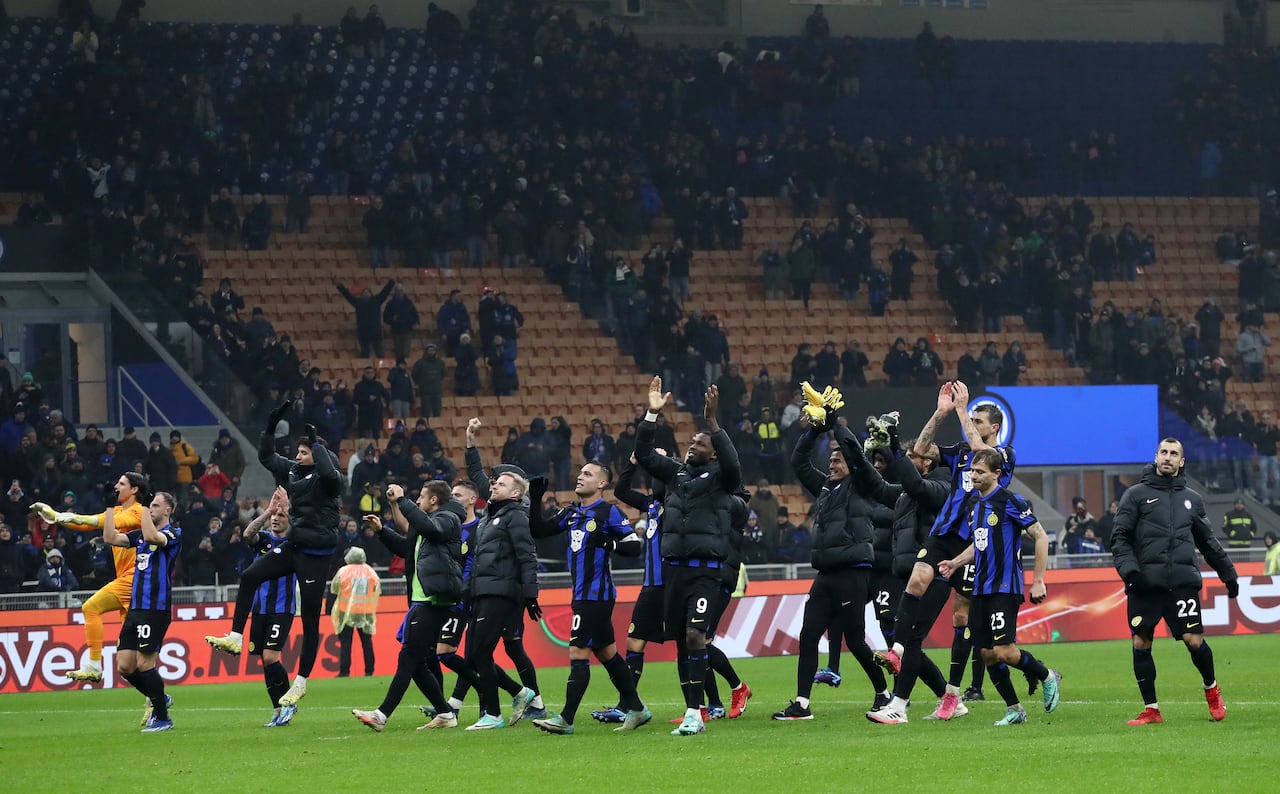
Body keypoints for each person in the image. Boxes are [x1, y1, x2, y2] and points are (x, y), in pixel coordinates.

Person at [874, 381, 1015, 707]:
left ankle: (978, 690)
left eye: (978, 421)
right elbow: (920, 451)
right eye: (971, 420)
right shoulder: (961, 453)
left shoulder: (1003, 456)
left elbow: (982, 453)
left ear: (993, 427)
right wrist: (940, 414)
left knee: (973, 626)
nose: (970, 424)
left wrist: (963, 410)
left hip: (975, 543)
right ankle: (909, 672)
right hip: (945, 536)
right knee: (922, 594)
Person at [206, 405, 345, 711]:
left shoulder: (329, 479)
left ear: (318, 454)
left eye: (304, 452)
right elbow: (266, 457)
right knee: (249, 575)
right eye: (298, 451)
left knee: (310, 621)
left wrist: (318, 445)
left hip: (317, 555)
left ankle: (301, 683)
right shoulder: (295, 472)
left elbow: (329, 474)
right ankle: (235, 635)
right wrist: (269, 425)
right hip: (295, 546)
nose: (297, 456)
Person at [773, 385, 892, 721]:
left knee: (855, 640)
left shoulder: (863, 483)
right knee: (808, 634)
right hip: (826, 573)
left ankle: (883, 694)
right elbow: (798, 461)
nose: (833, 462)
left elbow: (854, 452)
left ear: (853, 464)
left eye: (838, 459)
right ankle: (802, 704)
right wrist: (815, 430)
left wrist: (836, 424)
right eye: (831, 458)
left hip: (854, 571)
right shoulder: (826, 486)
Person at [635, 376, 742, 737]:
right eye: (692, 442)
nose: (692, 446)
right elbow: (646, 456)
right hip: (674, 573)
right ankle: (693, 709)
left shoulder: (721, 480)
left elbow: (735, 467)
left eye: (700, 444)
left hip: (705, 573)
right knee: (683, 642)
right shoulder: (677, 474)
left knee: (697, 636)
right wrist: (651, 416)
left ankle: (696, 712)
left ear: (713, 452)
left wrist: (712, 423)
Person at [1110, 438, 1239, 726]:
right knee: (1141, 642)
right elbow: (1120, 538)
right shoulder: (1135, 495)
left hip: (1181, 582)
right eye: (1164, 452)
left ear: (1182, 462)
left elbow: (1208, 542)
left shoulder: (1192, 499)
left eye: (1174, 454)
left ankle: (1211, 689)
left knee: (1194, 641)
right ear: (1156, 457)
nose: (1168, 457)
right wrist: (1131, 573)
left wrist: (1228, 574)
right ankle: (1151, 709)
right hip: (1145, 583)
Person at [937, 449, 1060, 726]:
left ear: (996, 474)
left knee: (1004, 651)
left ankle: (1047, 676)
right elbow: (979, 543)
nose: (974, 476)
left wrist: (1039, 579)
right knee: (986, 653)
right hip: (979, 588)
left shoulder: (1011, 501)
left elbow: (1040, 537)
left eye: (980, 471)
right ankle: (1015, 709)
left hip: (1005, 587)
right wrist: (955, 563)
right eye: (971, 471)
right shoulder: (975, 505)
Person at [527, 460, 651, 735]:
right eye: (580, 472)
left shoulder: (609, 512)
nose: (580, 476)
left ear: (602, 483)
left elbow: (633, 546)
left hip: (597, 595)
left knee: (577, 651)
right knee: (606, 652)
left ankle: (566, 719)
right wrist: (534, 499)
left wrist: (609, 543)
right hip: (581, 594)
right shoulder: (571, 512)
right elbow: (540, 531)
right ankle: (638, 709)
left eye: (587, 473)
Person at [352, 480, 465, 731]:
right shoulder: (429, 523)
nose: (417, 501)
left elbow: (430, 529)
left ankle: (381, 715)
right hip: (422, 598)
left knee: (409, 656)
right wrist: (382, 531)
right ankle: (446, 714)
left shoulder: (447, 518)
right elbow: (406, 549)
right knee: (417, 660)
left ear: (434, 500)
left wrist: (402, 501)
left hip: (432, 600)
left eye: (421, 497)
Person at [30, 472, 148, 682]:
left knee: (90, 608)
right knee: (129, 661)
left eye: (121, 484)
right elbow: (88, 524)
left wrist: (72, 516)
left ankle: (94, 665)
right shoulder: (119, 510)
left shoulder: (138, 512)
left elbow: (100, 521)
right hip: (130, 584)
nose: (116, 487)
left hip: (134, 579)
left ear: (134, 489)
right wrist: (56, 517)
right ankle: (156, 700)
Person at [462, 466, 541, 730]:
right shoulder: (487, 518)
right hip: (482, 591)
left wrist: (530, 595)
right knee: (474, 655)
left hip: (501, 592)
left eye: (501, 484)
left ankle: (494, 714)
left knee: (480, 653)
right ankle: (519, 693)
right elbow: (478, 560)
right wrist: (469, 589)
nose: (494, 486)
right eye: (494, 484)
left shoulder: (516, 515)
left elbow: (526, 555)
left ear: (516, 492)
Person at [592, 451, 667, 724]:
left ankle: (712, 702)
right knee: (634, 643)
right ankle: (628, 705)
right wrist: (634, 462)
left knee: (691, 643)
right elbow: (622, 489)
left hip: (674, 584)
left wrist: (663, 461)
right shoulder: (650, 504)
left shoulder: (682, 502)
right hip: (651, 586)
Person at [103, 489, 181, 732]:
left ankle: (162, 717)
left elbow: (151, 535)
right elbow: (110, 538)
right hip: (135, 608)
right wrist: (109, 507)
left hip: (155, 608)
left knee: (145, 663)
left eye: (156, 505)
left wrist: (143, 507)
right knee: (125, 666)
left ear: (168, 510)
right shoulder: (140, 537)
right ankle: (157, 696)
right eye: (151, 505)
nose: (152, 508)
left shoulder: (172, 533)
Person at [240, 489, 299, 727]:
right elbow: (247, 534)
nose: (276, 519)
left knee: (270, 656)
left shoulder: (294, 544)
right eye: (274, 516)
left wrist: (288, 507)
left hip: (282, 609)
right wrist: (268, 510)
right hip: (260, 610)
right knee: (265, 661)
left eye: (281, 516)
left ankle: (288, 705)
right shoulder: (263, 540)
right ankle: (277, 708)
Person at [331, 545, 381, 678]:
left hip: (346, 611)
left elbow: (334, 589)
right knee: (367, 643)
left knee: (346, 643)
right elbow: (377, 587)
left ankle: (344, 671)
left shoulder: (343, 571)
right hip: (366, 611)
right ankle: (369, 671)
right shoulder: (370, 571)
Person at [336, 279, 396, 358]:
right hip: (364, 334)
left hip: (375, 334)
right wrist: (340, 287)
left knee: (380, 355)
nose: (366, 293)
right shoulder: (358, 302)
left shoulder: (376, 301)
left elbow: (384, 292)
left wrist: (391, 283)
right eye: (364, 292)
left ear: (371, 294)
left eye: (368, 292)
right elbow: (348, 296)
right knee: (365, 356)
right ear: (361, 295)